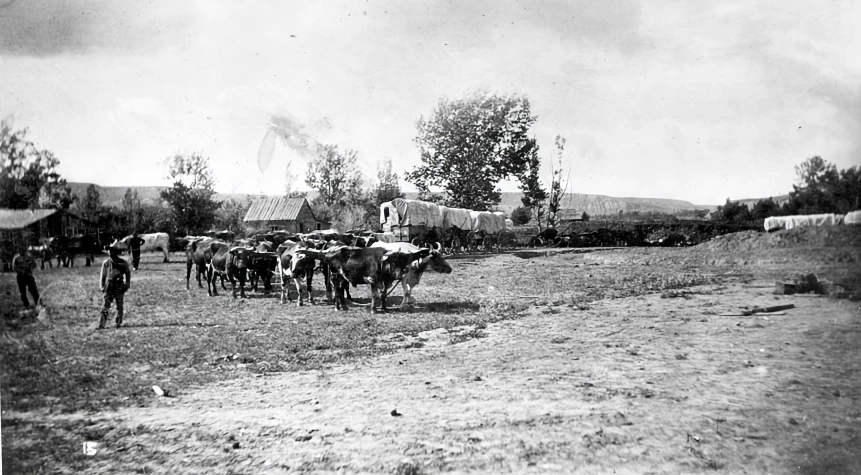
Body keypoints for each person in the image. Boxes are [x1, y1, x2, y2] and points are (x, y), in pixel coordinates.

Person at [99, 240, 131, 329]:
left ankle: (118, 322)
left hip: (119, 284)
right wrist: (102, 286)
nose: (110, 253)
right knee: (105, 304)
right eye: (109, 251)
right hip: (109, 285)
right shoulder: (106, 263)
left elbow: (127, 273)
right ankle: (102, 323)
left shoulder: (123, 263)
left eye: (112, 251)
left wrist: (127, 283)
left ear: (116, 252)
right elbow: (103, 275)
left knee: (119, 304)